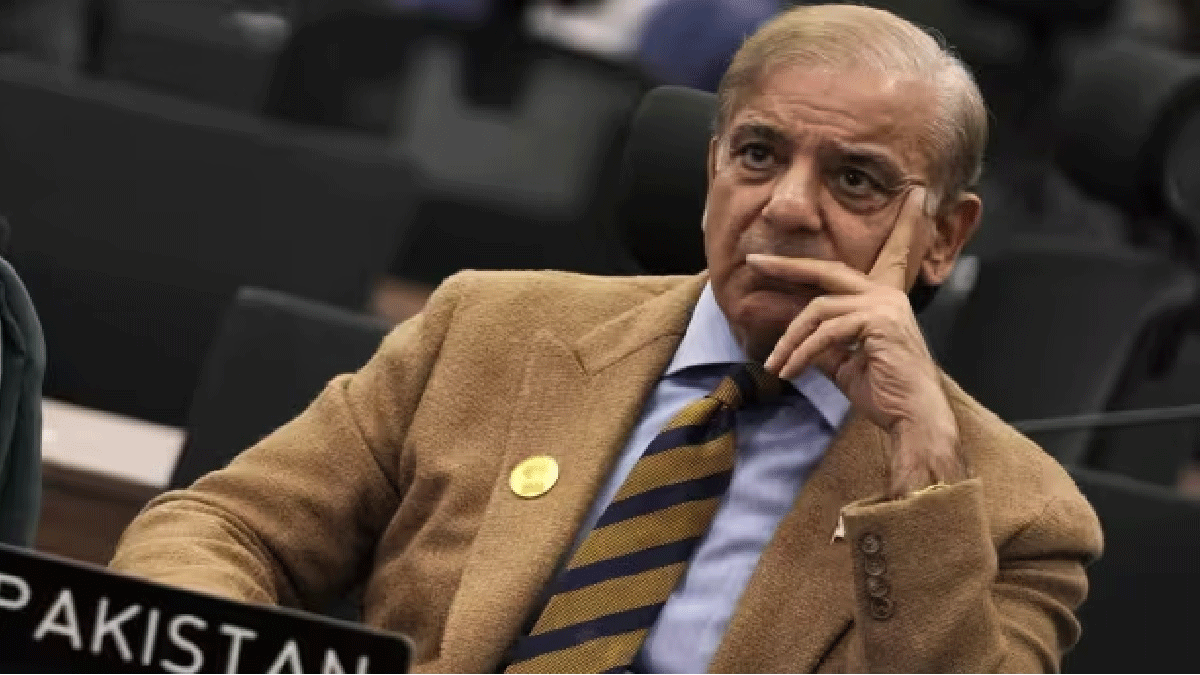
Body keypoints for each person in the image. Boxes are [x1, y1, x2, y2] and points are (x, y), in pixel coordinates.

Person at [110, 4, 1104, 672]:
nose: (787, 207)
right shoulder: (490, 328)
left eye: (856, 180)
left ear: (944, 237)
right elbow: (219, 530)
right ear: (712, 169)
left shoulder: (1022, 516)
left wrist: (920, 472)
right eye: (759, 154)